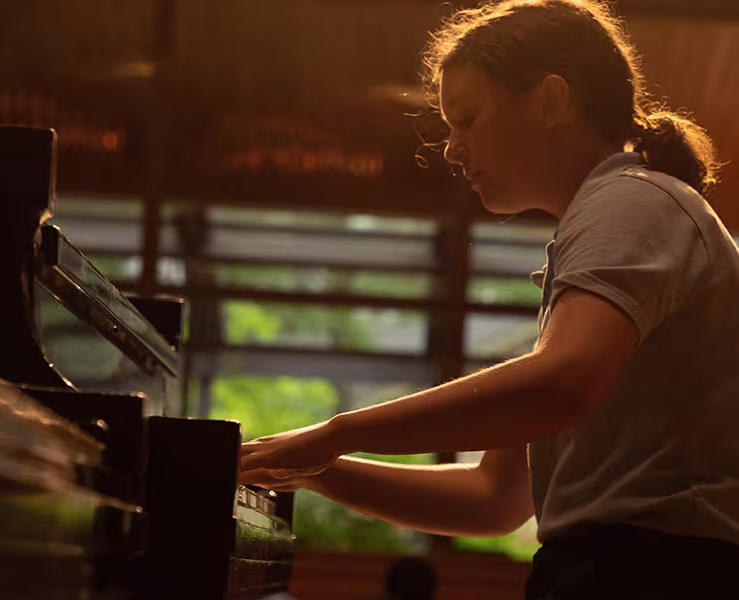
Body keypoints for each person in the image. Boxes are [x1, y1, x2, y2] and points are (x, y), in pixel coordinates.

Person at [238, 1, 739, 598]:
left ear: (551, 100)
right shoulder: (617, 217)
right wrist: (317, 469)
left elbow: (561, 382)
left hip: (650, 571)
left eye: (468, 119)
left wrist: (337, 432)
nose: (452, 149)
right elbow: (494, 498)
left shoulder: (631, 200)